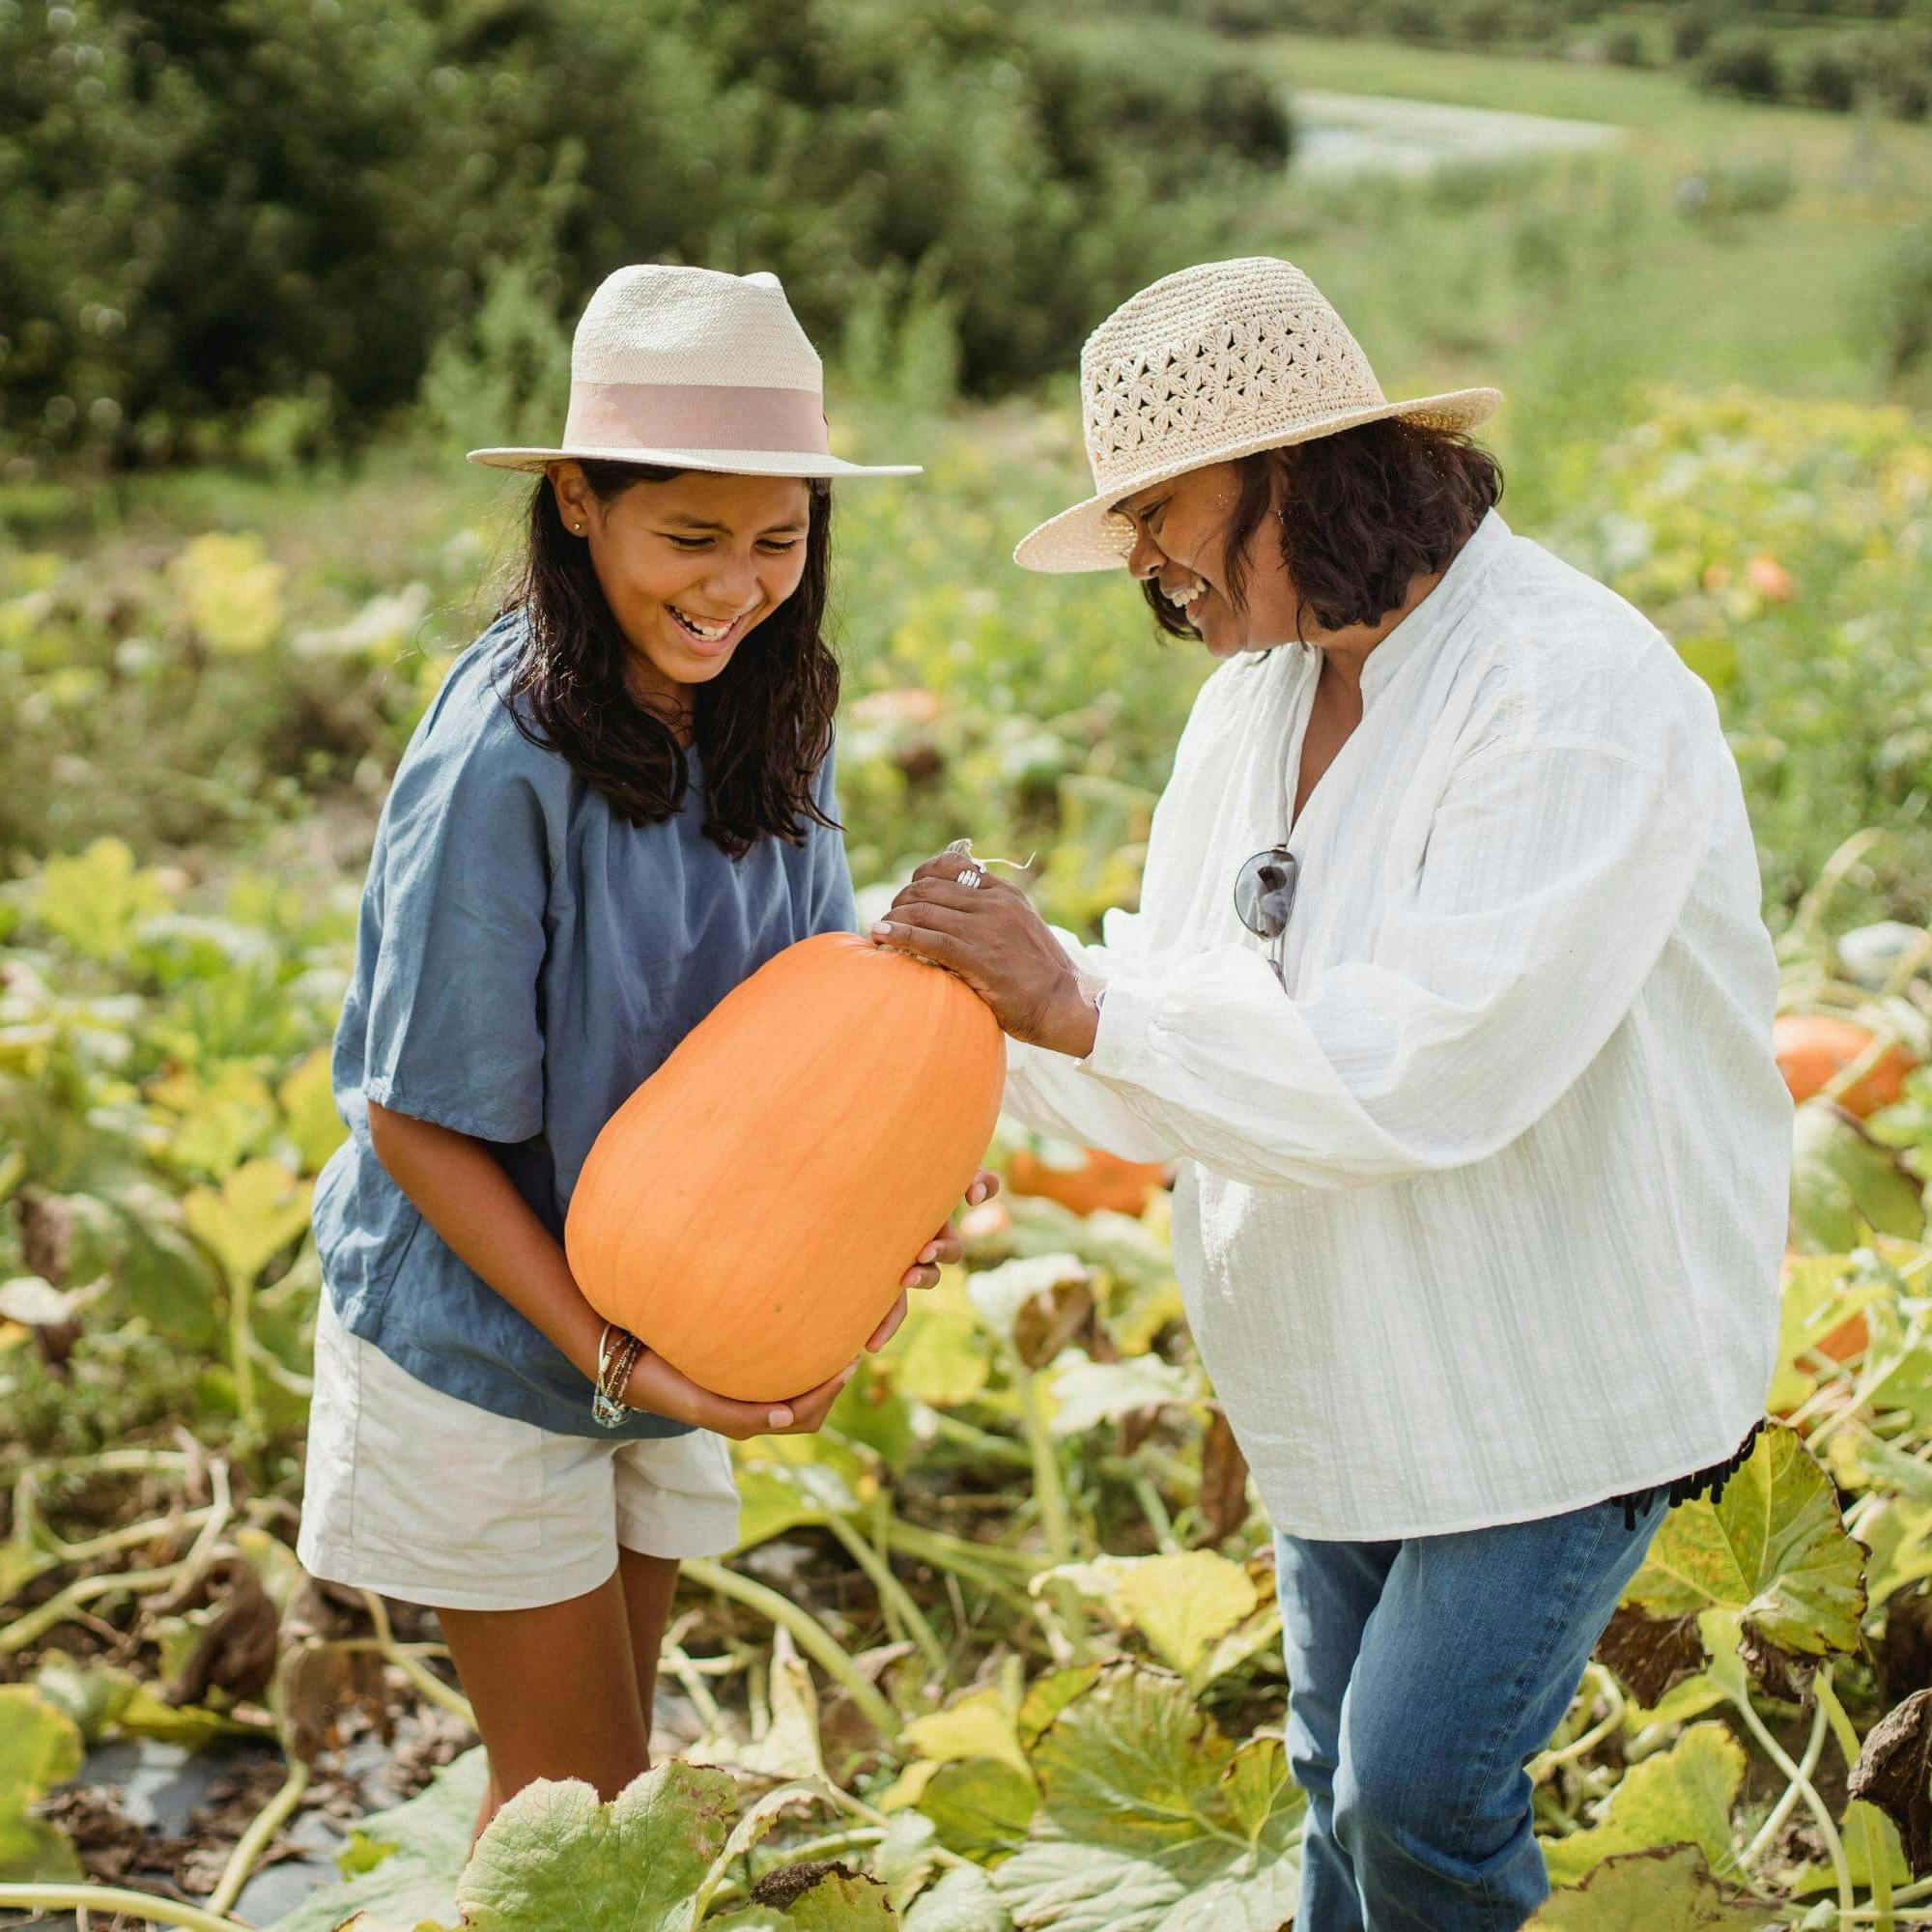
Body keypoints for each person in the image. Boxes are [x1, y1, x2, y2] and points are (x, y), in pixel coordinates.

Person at [870, 256, 1789, 1932]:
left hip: (1551, 1365)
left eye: (1159, 510)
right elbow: (1180, 1023)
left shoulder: (1574, 689)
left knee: (1417, 1790)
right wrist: (965, 1058)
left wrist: (1071, 994)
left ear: (1300, 471)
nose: (1141, 559)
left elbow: (1434, 1063)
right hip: (1341, 1360)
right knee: (1330, 1782)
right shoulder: (1252, 706)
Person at [297, 264, 998, 1845]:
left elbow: (809, 1034)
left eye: (777, 540)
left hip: (667, 1322)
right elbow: (414, 1119)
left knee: (582, 1816)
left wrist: (915, 1158)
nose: (733, 587)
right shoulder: (503, 757)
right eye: (688, 537)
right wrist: (612, 1353)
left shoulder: (779, 720)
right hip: (494, 1342)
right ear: (574, 504)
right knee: (585, 1804)